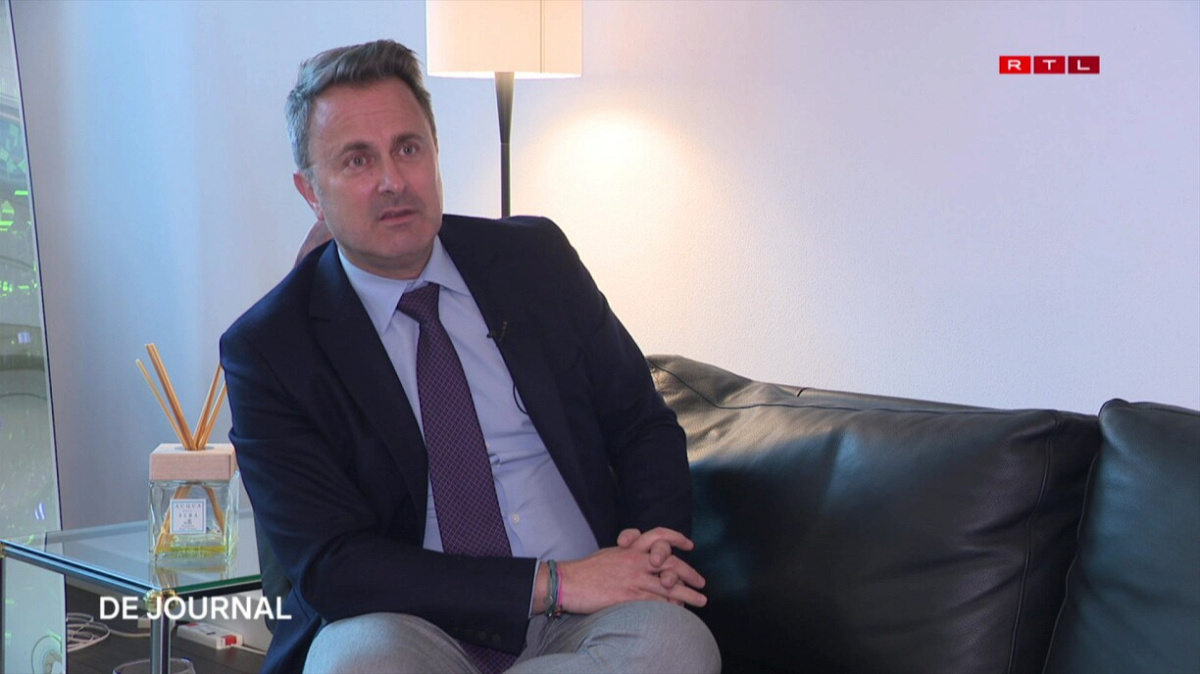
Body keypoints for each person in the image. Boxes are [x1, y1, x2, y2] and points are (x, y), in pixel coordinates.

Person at [220, 39, 720, 674]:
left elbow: (641, 423)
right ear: (311, 191)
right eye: (358, 160)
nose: (393, 181)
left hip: (592, 621)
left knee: (677, 647)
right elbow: (333, 566)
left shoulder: (534, 261)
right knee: (354, 664)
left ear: (435, 151)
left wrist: (650, 549)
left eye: (409, 148)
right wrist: (553, 583)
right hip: (408, 627)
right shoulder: (271, 349)